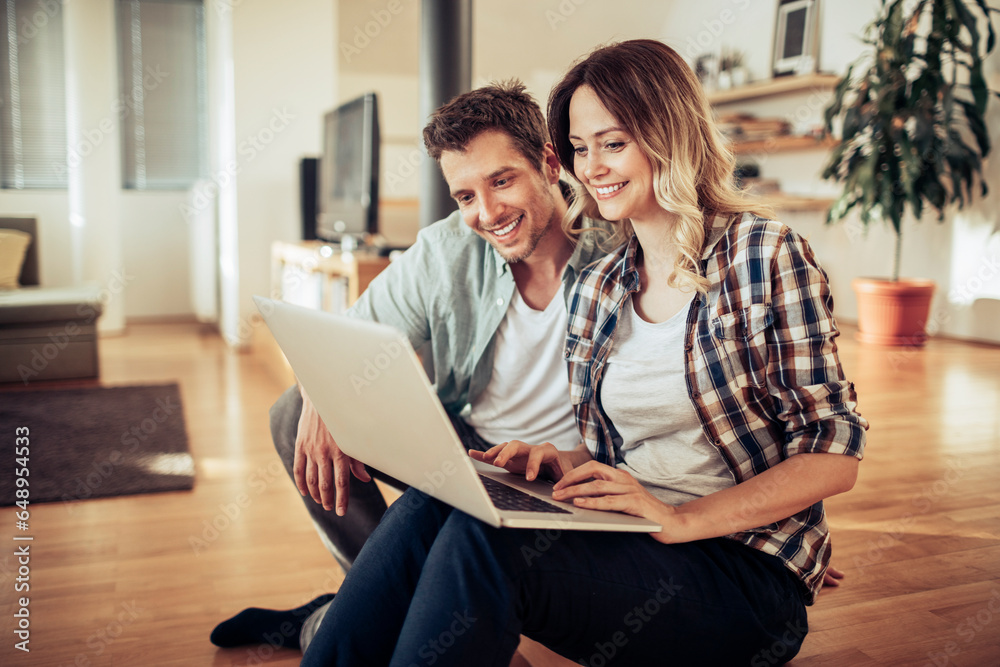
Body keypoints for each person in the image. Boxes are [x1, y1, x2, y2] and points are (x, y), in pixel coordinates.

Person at [294, 39, 868, 666]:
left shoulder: (763, 253)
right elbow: (616, 452)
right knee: (445, 497)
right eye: (582, 147)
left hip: (738, 574)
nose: (592, 165)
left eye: (614, 142)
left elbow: (832, 454)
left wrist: (683, 520)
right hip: (634, 536)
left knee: (486, 544)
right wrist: (553, 461)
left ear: (668, 133)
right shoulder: (602, 286)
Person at [210, 80, 613, 653]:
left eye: (502, 181)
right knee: (295, 410)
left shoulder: (620, 246)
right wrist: (324, 394)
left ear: (550, 163)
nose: (487, 212)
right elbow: (346, 340)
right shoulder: (447, 248)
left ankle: (333, 619)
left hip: (560, 471)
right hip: (471, 446)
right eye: (465, 196)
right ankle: (383, 594)